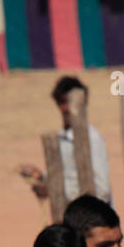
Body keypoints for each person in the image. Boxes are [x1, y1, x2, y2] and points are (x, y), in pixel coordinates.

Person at [19, 75, 112, 205]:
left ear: (83, 103)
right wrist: (41, 177)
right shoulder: (62, 138)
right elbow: (68, 178)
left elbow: (102, 191)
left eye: (70, 102)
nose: (66, 108)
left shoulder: (92, 139)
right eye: (62, 102)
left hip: (93, 221)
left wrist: (54, 192)